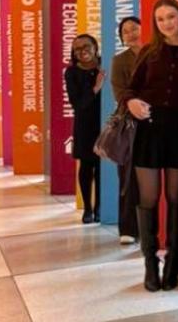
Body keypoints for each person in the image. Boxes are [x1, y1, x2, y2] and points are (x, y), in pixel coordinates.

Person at [119, 0, 178, 292]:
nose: (166, 23)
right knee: (148, 199)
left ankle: (173, 263)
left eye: (171, 17)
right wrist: (132, 101)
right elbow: (128, 89)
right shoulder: (149, 52)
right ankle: (150, 264)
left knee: (176, 199)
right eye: (160, 19)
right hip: (148, 133)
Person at [65, 33, 104, 224]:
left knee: (101, 167)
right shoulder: (71, 72)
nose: (82, 52)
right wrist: (95, 88)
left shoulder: (105, 66)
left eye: (86, 47)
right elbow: (77, 104)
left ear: (95, 46)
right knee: (86, 166)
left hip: (105, 124)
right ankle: (88, 208)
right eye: (77, 49)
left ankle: (100, 208)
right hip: (84, 125)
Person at [110, 16, 142, 245]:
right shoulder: (120, 61)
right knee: (128, 177)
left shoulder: (156, 54)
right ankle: (128, 227)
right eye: (126, 31)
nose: (131, 34)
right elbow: (120, 94)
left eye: (134, 28)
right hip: (131, 125)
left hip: (158, 123)